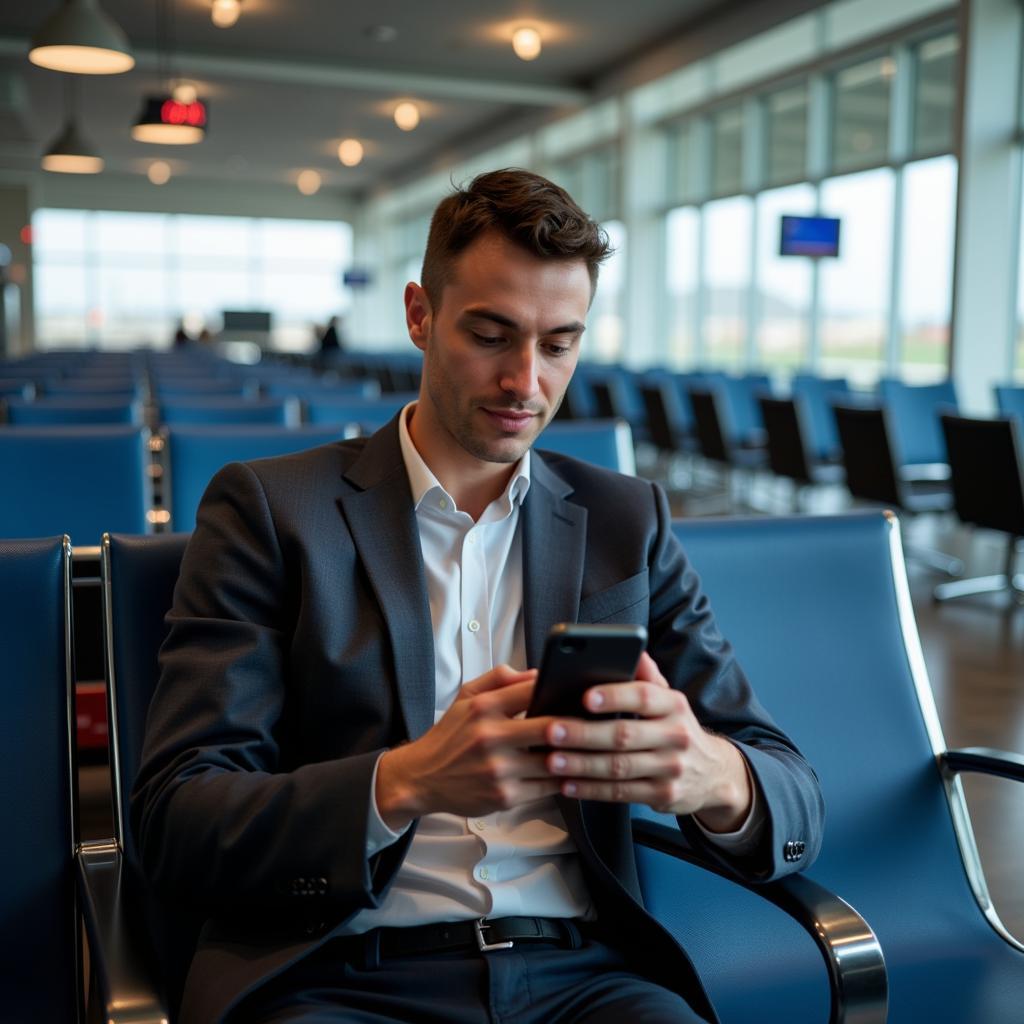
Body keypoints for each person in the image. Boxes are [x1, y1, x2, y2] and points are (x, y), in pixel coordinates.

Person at [132, 168, 824, 1024]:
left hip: (587, 978)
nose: (525, 382)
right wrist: (406, 781)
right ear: (420, 316)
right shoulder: (274, 512)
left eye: (560, 343)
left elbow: (790, 790)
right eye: (492, 335)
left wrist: (709, 773)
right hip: (342, 974)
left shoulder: (622, 520)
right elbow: (178, 818)